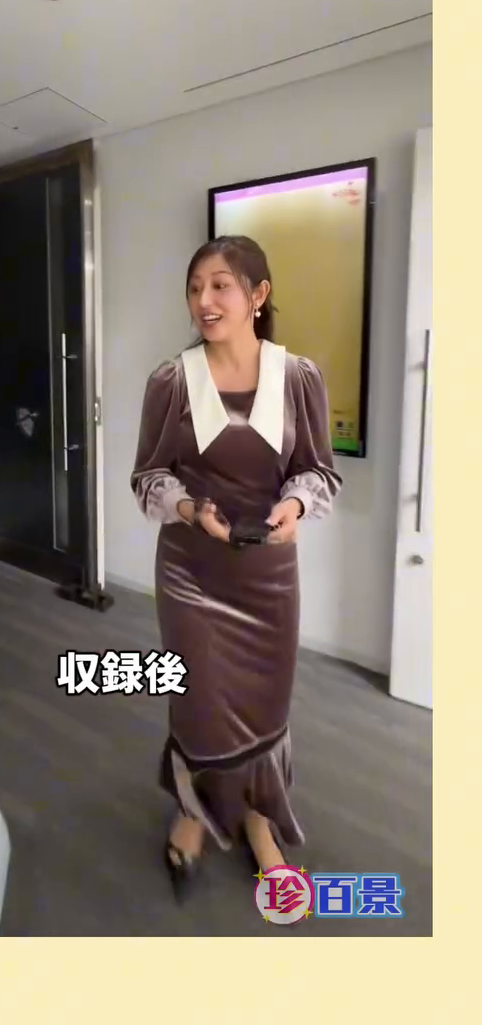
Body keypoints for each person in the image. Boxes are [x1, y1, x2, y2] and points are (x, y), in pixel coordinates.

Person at [130, 235, 342, 901]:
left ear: (258, 295)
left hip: (268, 580)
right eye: (195, 287)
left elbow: (318, 470)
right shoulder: (172, 380)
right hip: (191, 575)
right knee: (197, 703)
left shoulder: (298, 376)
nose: (204, 300)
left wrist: (294, 506)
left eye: (220, 284)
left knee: (263, 709)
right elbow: (149, 475)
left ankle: (257, 820)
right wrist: (190, 509)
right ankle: (194, 813)